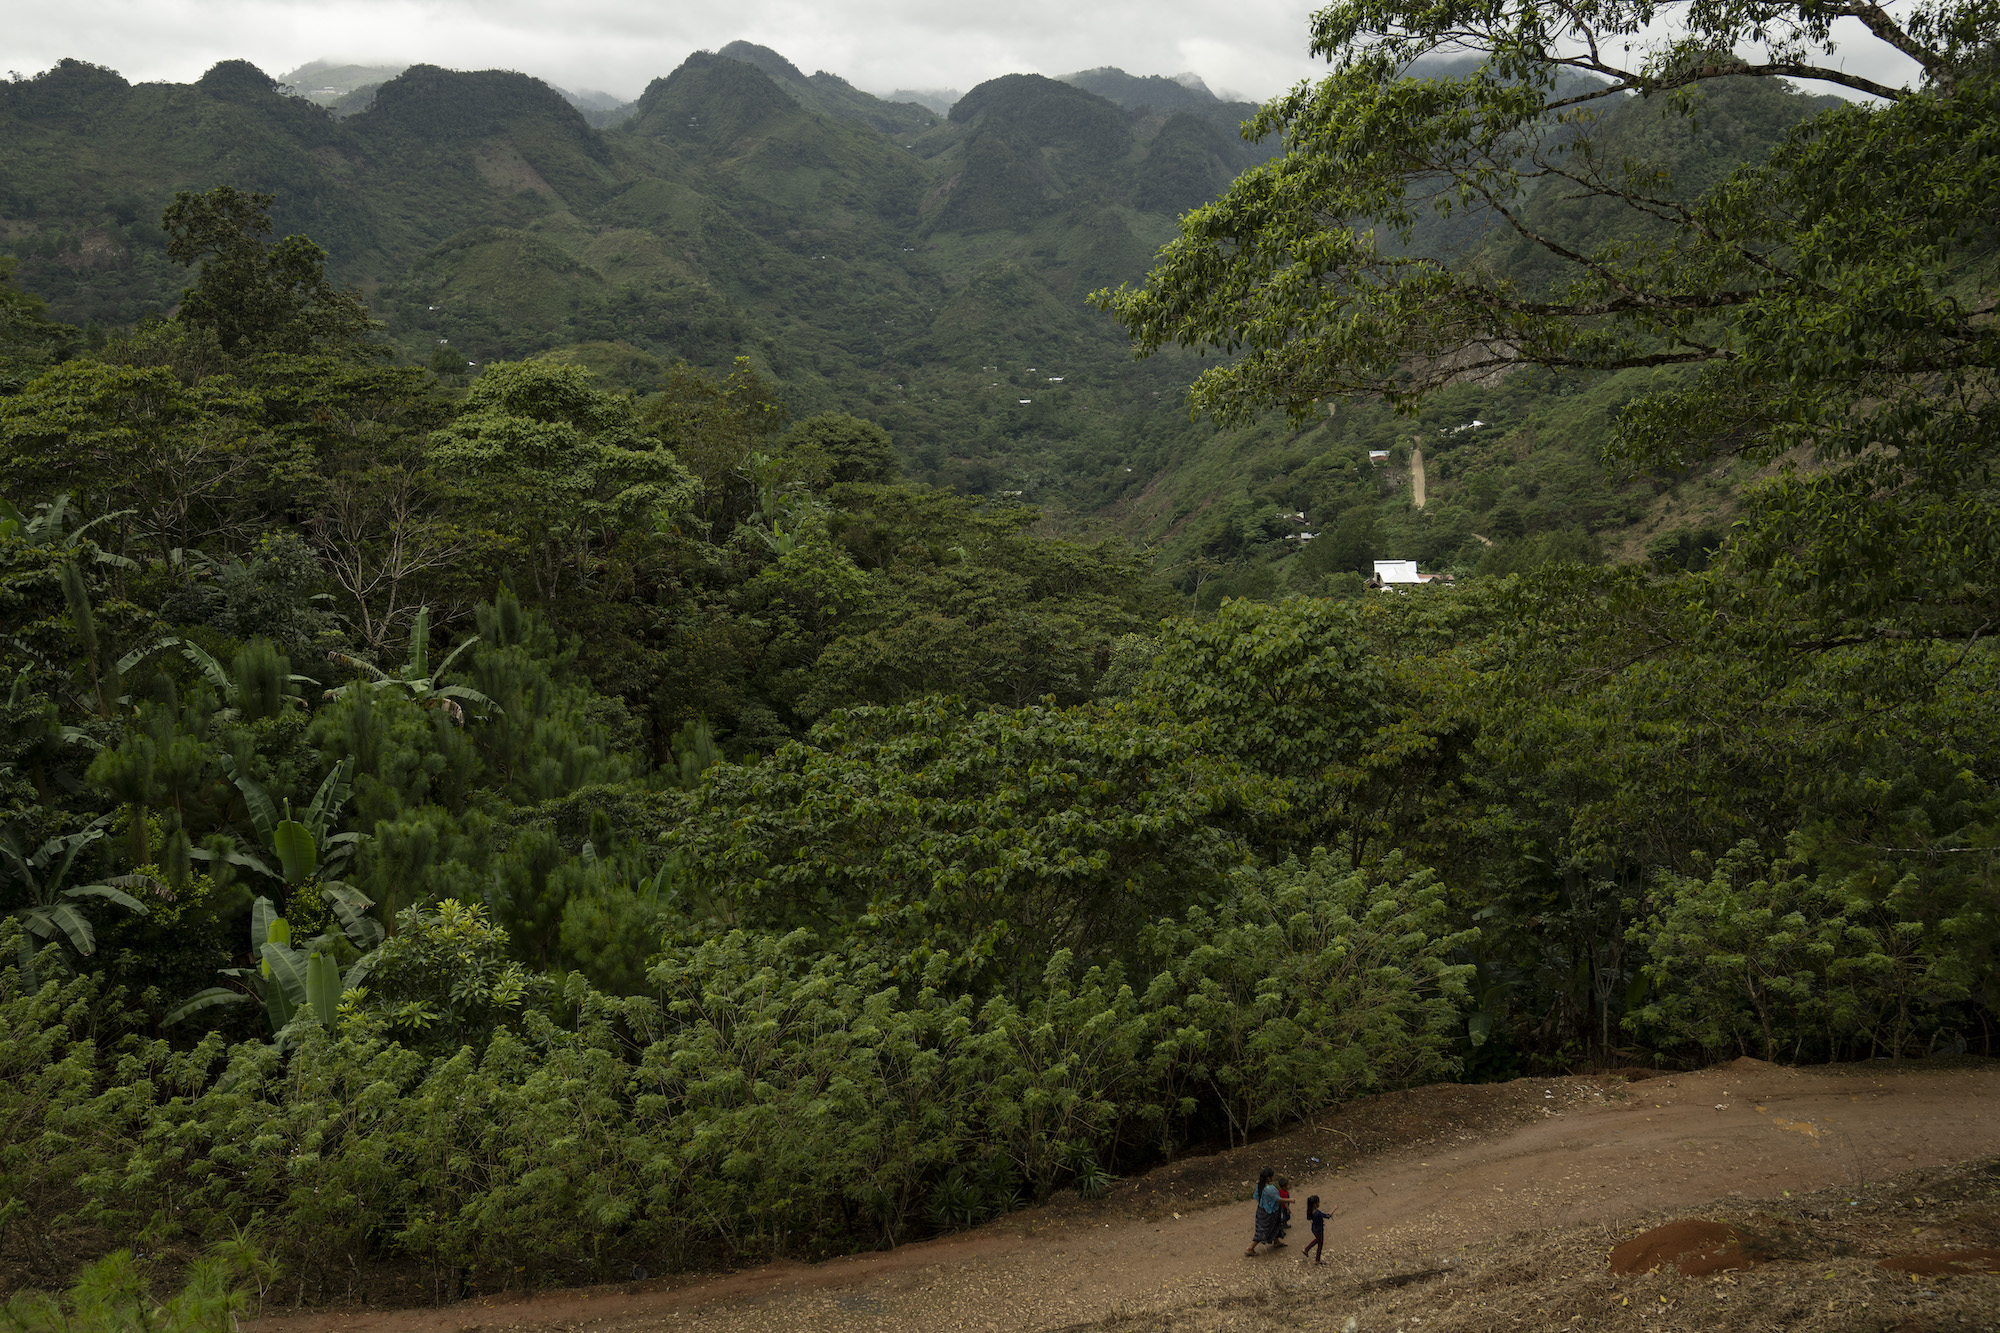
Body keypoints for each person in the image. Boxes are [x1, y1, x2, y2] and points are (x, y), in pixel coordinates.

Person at [1245, 1167, 1283, 1256]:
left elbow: (1257, 1197)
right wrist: (1290, 1200)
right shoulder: (1269, 1189)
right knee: (1264, 1230)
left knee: (1275, 1225)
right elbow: (1277, 1199)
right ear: (1269, 1178)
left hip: (1262, 1210)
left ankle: (1276, 1241)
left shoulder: (1260, 1185)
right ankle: (1250, 1248)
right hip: (1269, 1213)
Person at [1302, 1194, 1334, 1264]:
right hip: (1319, 1229)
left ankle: (1308, 1251)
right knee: (1320, 1243)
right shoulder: (1318, 1213)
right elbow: (1328, 1216)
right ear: (1315, 1204)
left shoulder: (1310, 1211)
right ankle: (1315, 1258)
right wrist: (1334, 1209)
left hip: (1314, 1228)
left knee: (1318, 1241)